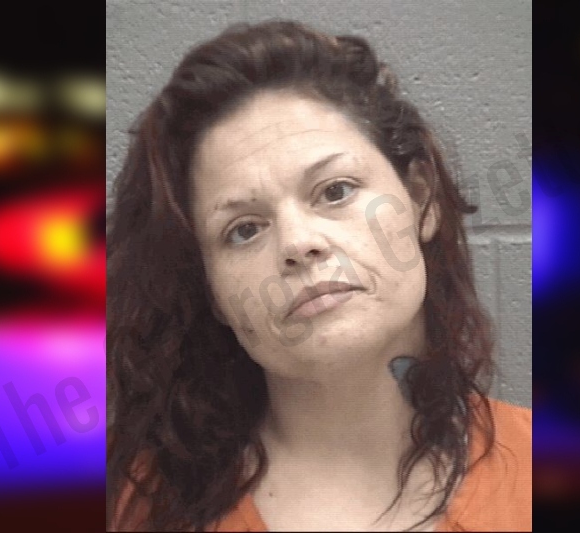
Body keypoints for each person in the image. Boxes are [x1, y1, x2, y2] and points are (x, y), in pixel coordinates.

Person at [107, 20, 531, 532]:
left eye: (335, 191)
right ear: (213, 291)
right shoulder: (129, 506)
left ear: (421, 198)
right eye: (244, 230)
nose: (297, 243)